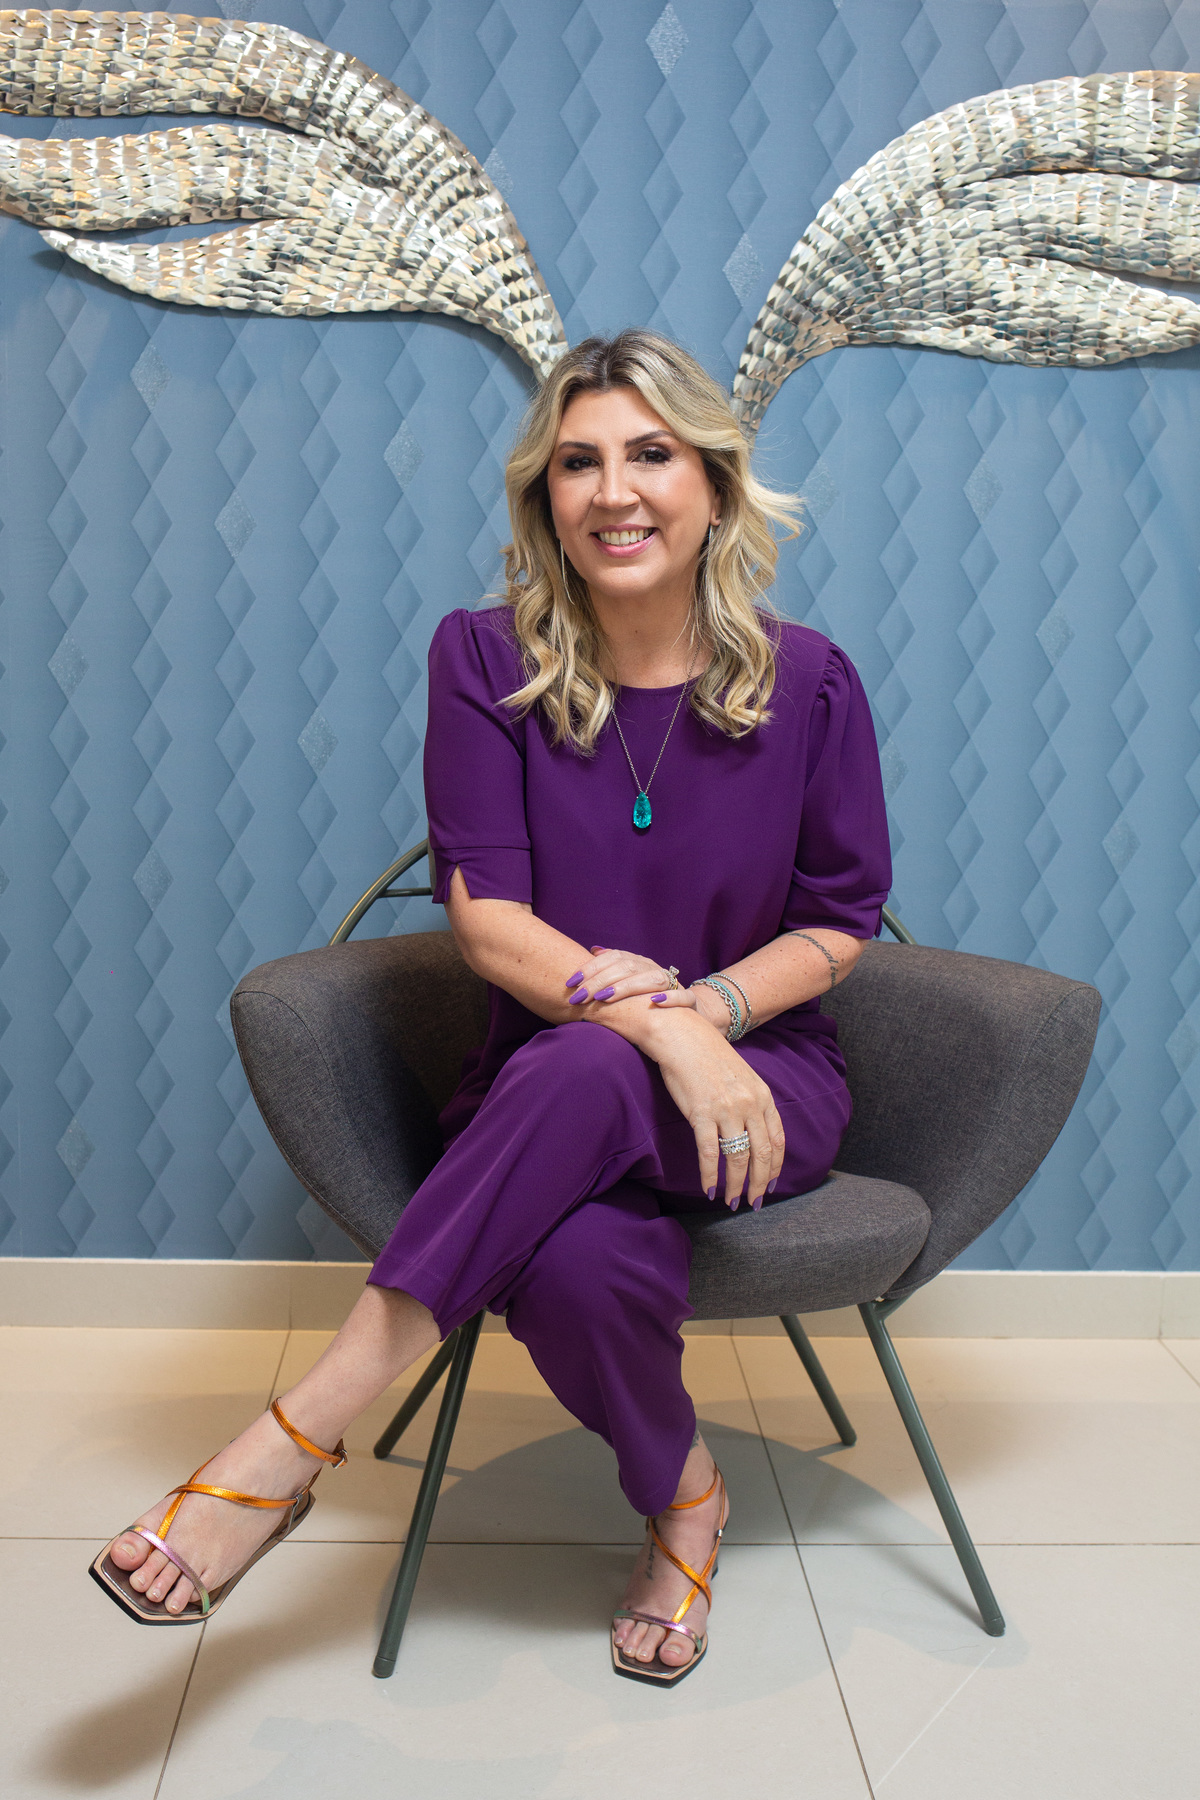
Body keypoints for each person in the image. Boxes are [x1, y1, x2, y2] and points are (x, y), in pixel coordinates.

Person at [91, 329, 891, 1686]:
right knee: (577, 1255)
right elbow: (485, 921)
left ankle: (294, 1439)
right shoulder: (483, 659)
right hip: (553, 1089)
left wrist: (710, 1014)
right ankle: (688, 1501)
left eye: (651, 454)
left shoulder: (808, 680)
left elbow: (841, 919)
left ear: (712, 484)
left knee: (583, 1070)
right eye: (578, 463)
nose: (613, 491)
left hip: (760, 1088)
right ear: (544, 498)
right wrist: (662, 1030)